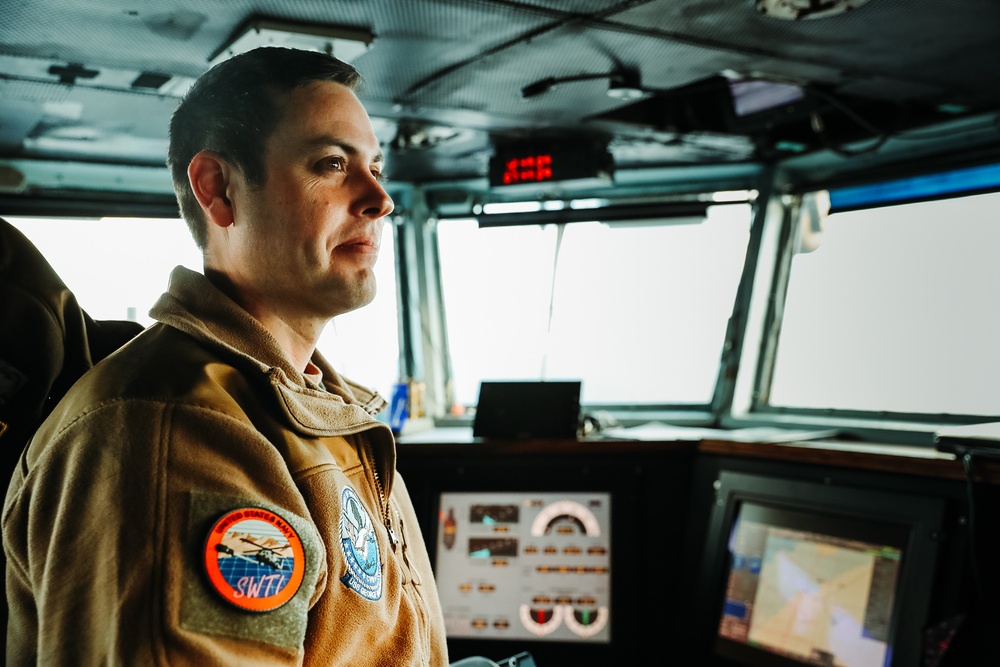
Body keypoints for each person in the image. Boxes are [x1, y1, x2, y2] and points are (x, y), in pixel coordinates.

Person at [2, 47, 448, 665]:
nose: (379, 199)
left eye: (375, 167)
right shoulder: (179, 432)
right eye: (331, 164)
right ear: (219, 189)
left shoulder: (316, 407)